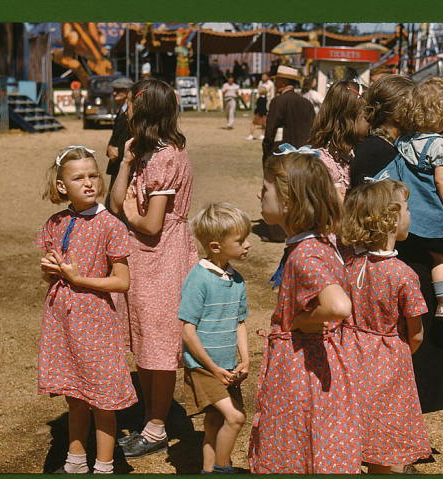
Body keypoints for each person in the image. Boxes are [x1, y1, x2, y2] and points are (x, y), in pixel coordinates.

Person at [350, 74, 443, 418]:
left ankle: (409, 425)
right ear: (401, 111)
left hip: (425, 253)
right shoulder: (381, 152)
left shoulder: (405, 148)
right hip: (412, 259)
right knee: (414, 347)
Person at [248, 150, 361, 473]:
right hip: (318, 366)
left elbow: (338, 305)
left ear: (287, 200)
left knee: (294, 447)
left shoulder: (305, 255)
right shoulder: (319, 244)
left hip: (301, 373)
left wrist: (300, 320)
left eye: (266, 188)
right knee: (314, 445)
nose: (260, 194)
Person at [109, 78, 199, 458]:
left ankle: (157, 426)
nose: (126, 111)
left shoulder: (166, 158)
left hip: (163, 257)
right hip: (143, 258)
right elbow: (114, 204)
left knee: (160, 339)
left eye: (132, 105)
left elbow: (150, 224)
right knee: (145, 336)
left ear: (145, 112)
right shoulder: (144, 154)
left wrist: (131, 210)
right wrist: (127, 165)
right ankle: (151, 415)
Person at [37, 145, 137, 474]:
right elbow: (49, 272)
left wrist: (81, 278)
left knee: (102, 400)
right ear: (62, 186)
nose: (89, 182)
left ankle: (105, 466)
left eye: (93, 175)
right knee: (75, 395)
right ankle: (75, 462)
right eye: (79, 177)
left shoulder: (111, 225)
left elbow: (121, 282)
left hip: (96, 321)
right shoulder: (55, 222)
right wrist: (51, 270)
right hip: (61, 319)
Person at [340, 179, 432, 474]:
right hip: (388, 361)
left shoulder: (349, 265)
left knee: (352, 428)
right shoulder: (403, 275)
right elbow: (416, 332)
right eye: (406, 208)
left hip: (348, 354)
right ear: (391, 219)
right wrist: (402, 353)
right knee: (383, 437)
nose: (410, 214)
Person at [393, 77, 443, 320]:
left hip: (418, 213)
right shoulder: (440, 145)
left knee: (439, 253)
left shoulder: (404, 142)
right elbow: (441, 180)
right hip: (438, 210)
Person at [180, 203, 251, 474]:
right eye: (240, 240)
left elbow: (239, 322)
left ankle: (208, 470)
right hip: (204, 367)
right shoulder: (198, 279)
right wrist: (212, 368)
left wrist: (244, 360)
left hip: (227, 366)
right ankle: (223, 469)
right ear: (216, 246)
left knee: (214, 422)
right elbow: (188, 330)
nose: (248, 245)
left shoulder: (237, 280)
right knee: (235, 418)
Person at [309, 79, 368, 201]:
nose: (372, 121)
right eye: (367, 115)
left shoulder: (355, 153)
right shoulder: (321, 162)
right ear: (350, 117)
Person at [261, 65, 315, 164]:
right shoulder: (307, 104)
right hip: (303, 157)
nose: (275, 83)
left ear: (283, 82)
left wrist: (266, 153)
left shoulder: (278, 101)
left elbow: (270, 131)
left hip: (282, 157)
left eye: (276, 80)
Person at [105, 77, 134, 210]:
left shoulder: (133, 112)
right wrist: (110, 148)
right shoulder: (121, 110)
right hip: (116, 163)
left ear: (128, 92)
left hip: (127, 165)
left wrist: (119, 151)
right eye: (114, 90)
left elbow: (135, 138)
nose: (114, 93)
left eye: (118, 90)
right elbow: (115, 136)